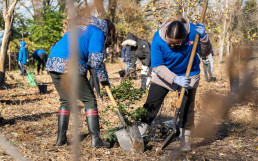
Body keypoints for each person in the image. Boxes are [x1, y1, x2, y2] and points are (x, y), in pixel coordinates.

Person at [137, 16, 212, 151]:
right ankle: (138, 135)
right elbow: (158, 66)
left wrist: (204, 38)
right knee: (151, 104)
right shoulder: (158, 39)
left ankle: (185, 141)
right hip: (165, 73)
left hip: (189, 74)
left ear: (185, 37)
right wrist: (175, 79)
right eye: (170, 43)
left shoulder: (194, 32)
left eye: (177, 44)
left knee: (186, 108)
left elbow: (205, 53)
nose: (173, 46)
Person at [45, 16, 115, 148]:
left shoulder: (79, 28)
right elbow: (96, 60)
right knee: (90, 101)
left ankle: (61, 139)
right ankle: (96, 140)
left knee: (65, 101)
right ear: (108, 29)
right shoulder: (98, 31)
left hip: (53, 62)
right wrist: (104, 79)